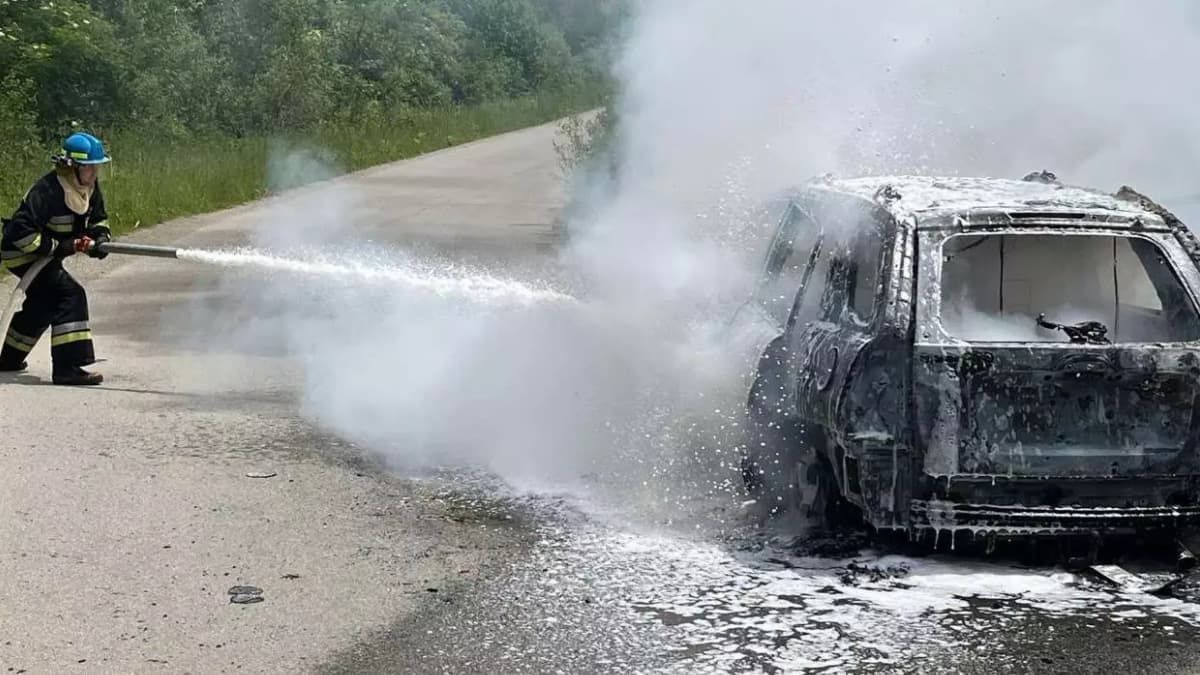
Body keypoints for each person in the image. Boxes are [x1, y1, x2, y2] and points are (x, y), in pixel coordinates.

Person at [0, 132, 113, 385]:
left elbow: (98, 220)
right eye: (90, 168)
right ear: (71, 167)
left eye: (97, 168)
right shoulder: (48, 190)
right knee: (69, 294)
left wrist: (101, 240)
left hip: (45, 255)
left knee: (44, 302)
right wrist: (58, 247)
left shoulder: (87, 190)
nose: (95, 174)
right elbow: (19, 233)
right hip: (22, 254)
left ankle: (8, 358)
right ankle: (68, 367)